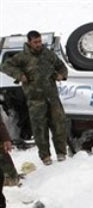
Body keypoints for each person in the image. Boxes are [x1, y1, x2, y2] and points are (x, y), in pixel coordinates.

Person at [0, 30, 68, 165]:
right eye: (35, 42)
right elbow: (5, 66)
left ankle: (61, 152)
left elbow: (61, 67)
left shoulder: (48, 54)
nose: (38, 44)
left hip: (52, 98)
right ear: (29, 42)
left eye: (40, 41)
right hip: (35, 100)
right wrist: (19, 75)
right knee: (39, 129)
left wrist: (61, 75)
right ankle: (45, 156)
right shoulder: (22, 57)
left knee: (59, 125)